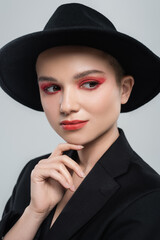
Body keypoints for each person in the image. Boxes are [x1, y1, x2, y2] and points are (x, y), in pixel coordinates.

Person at [0, 3, 160, 240]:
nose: (66, 106)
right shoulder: (35, 174)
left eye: (89, 84)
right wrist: (34, 213)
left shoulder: (148, 197)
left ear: (124, 89)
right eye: (52, 87)